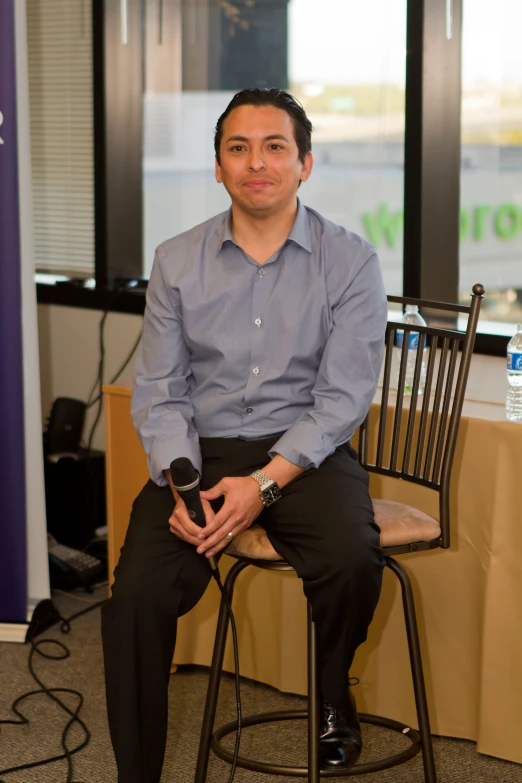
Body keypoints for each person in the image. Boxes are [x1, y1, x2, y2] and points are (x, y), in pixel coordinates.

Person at [101, 87, 387, 783]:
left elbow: (343, 395)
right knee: (133, 597)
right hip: (202, 453)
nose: (256, 162)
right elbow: (162, 390)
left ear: (304, 164)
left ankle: (332, 696)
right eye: (238, 148)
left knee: (352, 559)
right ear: (220, 167)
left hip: (306, 453)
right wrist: (182, 482)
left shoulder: (349, 260)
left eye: (274, 147)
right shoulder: (176, 260)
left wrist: (264, 484)